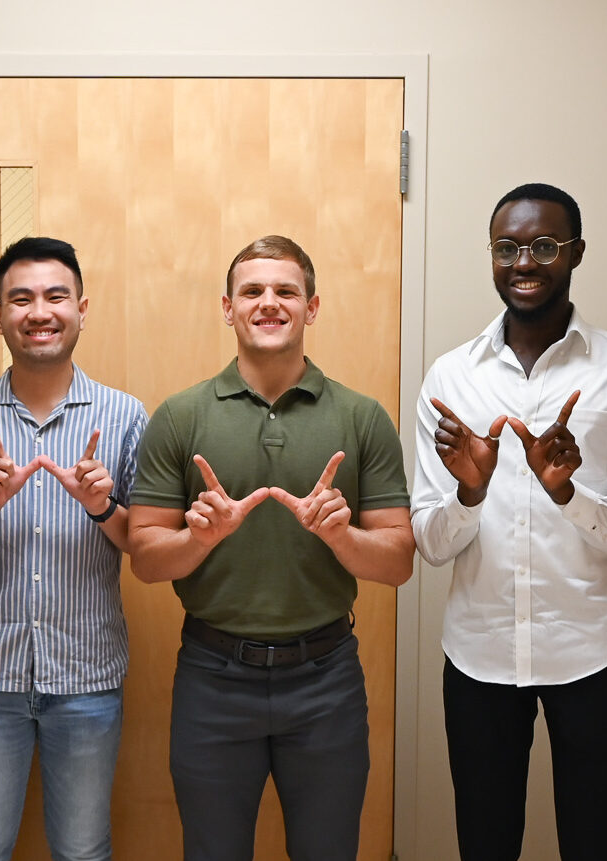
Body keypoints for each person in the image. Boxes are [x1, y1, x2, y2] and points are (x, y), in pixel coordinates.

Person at [129, 235, 415, 861]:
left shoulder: (363, 418)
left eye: (286, 291)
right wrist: (198, 539)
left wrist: (342, 535)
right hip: (213, 677)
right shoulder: (180, 417)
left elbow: (397, 563)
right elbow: (146, 559)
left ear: (312, 307)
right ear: (227, 308)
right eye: (252, 291)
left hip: (325, 679)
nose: (269, 303)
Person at [411, 183, 607, 860]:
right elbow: (432, 546)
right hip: (478, 655)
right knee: (485, 845)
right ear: (491, 256)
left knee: (593, 843)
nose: (525, 260)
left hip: (590, 653)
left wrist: (569, 495)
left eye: (545, 245)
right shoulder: (449, 376)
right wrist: (469, 492)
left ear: (577, 252)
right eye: (508, 247)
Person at [0, 236, 147, 861]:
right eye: (20, 298)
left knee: (84, 851)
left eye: (56, 296)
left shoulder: (125, 415)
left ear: (82, 307)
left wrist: (101, 506)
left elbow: (147, 548)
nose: (39, 311)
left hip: (86, 676)